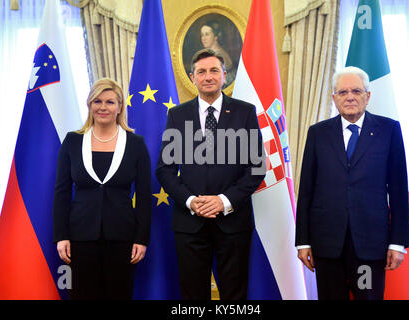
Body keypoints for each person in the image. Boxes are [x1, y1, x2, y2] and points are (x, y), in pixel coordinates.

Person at [156, 49, 265, 300]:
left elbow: (256, 168)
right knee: (193, 294)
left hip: (233, 220)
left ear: (224, 76)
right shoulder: (178, 115)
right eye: (201, 72)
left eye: (214, 70)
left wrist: (223, 201)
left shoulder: (244, 112)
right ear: (192, 77)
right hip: (189, 221)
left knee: (235, 295)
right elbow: (165, 169)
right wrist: (191, 201)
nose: (208, 77)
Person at [295, 66, 409, 300]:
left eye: (356, 91)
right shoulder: (318, 133)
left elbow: (398, 190)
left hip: (369, 245)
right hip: (327, 245)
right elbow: (306, 189)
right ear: (334, 98)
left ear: (367, 96)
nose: (349, 97)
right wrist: (303, 241)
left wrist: (398, 243)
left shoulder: (389, 130)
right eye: (343, 92)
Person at [53, 78, 151, 300]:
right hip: (79, 238)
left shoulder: (136, 144)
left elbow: (145, 197)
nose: (103, 107)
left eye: (110, 102)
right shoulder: (72, 142)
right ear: (89, 105)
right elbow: (61, 193)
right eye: (97, 101)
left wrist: (141, 239)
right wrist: (61, 236)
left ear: (119, 107)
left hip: (123, 238)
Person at [200, 22, 235, 88]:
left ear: (216, 37)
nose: (203, 38)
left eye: (207, 34)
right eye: (202, 35)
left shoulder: (217, 55)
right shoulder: (215, 52)